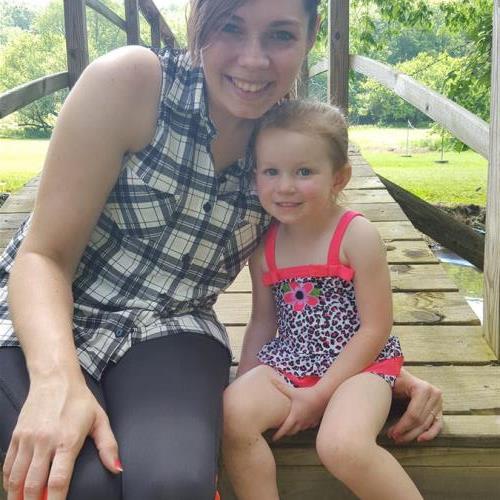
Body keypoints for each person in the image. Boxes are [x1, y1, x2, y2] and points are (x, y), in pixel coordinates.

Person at [0, 0, 441, 499]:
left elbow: (322, 270)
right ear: (197, 20)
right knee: (81, 484)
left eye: (280, 35)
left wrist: (386, 374)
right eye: (231, 28)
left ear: (312, 34)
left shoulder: (287, 146)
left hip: (172, 326)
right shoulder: (133, 83)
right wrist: (54, 381)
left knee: (174, 485)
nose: (253, 60)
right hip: (41, 320)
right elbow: (43, 256)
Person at [222, 101, 426, 499]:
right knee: (232, 414)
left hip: (360, 367)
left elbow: (376, 329)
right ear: (255, 175)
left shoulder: (356, 236)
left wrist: (320, 394)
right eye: (271, 171)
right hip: (292, 361)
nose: (285, 186)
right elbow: (263, 321)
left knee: (341, 445)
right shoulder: (265, 247)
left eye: (304, 172)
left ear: (339, 177)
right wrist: (246, 379)